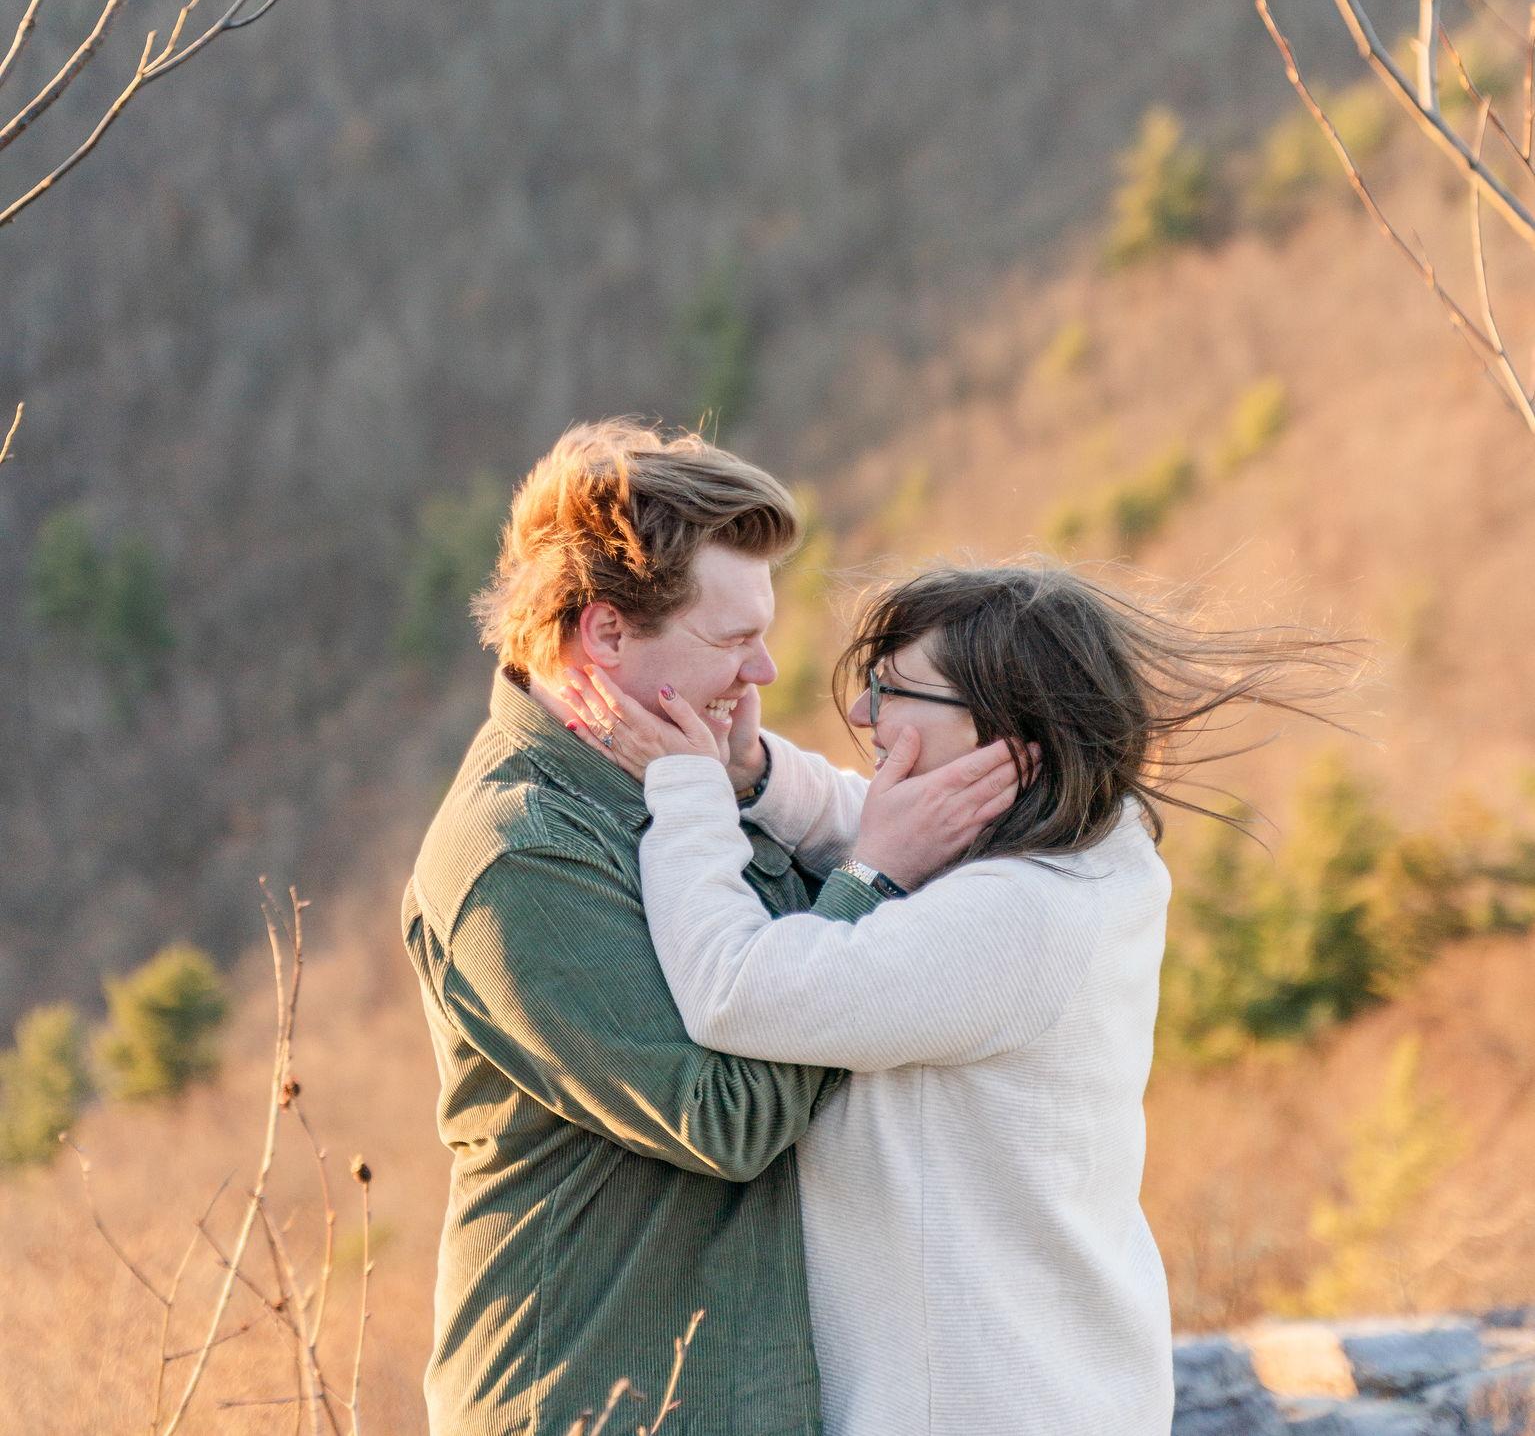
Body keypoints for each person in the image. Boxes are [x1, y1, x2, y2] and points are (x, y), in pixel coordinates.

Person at [560, 562, 1355, 1436]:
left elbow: (738, 989)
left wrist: (686, 791)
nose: (862, 715)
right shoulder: (1077, 845)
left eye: (891, 691)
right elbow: (886, 818)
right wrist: (753, 771)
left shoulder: (1021, 916)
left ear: (1006, 736)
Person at [401, 420, 1015, 1435]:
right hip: (598, 1398)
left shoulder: (685, 772)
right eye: (731, 641)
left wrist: (765, 789)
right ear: (603, 633)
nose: (765, 671)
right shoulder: (516, 856)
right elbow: (723, 1117)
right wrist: (875, 883)